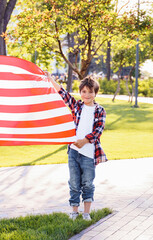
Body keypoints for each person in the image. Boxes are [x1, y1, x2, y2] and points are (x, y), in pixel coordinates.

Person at [45, 72, 107, 221]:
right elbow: (63, 94)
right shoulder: (77, 105)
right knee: (74, 183)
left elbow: (98, 130)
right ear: (80, 92)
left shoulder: (100, 110)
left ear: (95, 93)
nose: (86, 95)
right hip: (73, 152)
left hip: (88, 154)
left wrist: (84, 141)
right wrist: (51, 79)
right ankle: (74, 211)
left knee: (87, 183)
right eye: (84, 91)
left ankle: (86, 213)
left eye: (90, 92)